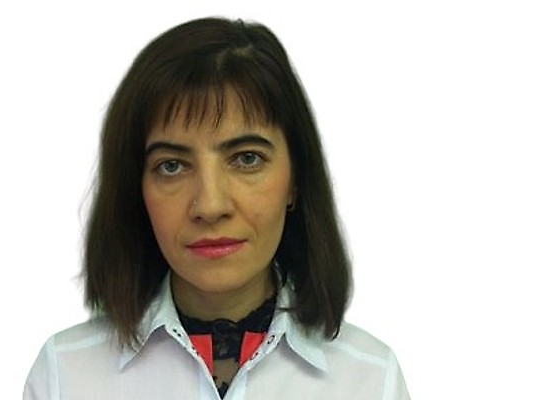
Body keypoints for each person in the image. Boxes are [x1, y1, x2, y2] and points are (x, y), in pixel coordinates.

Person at [24, 17, 410, 400]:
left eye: (246, 158)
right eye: (171, 166)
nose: (210, 206)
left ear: (296, 179)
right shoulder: (65, 374)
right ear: (136, 189)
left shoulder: (370, 379)